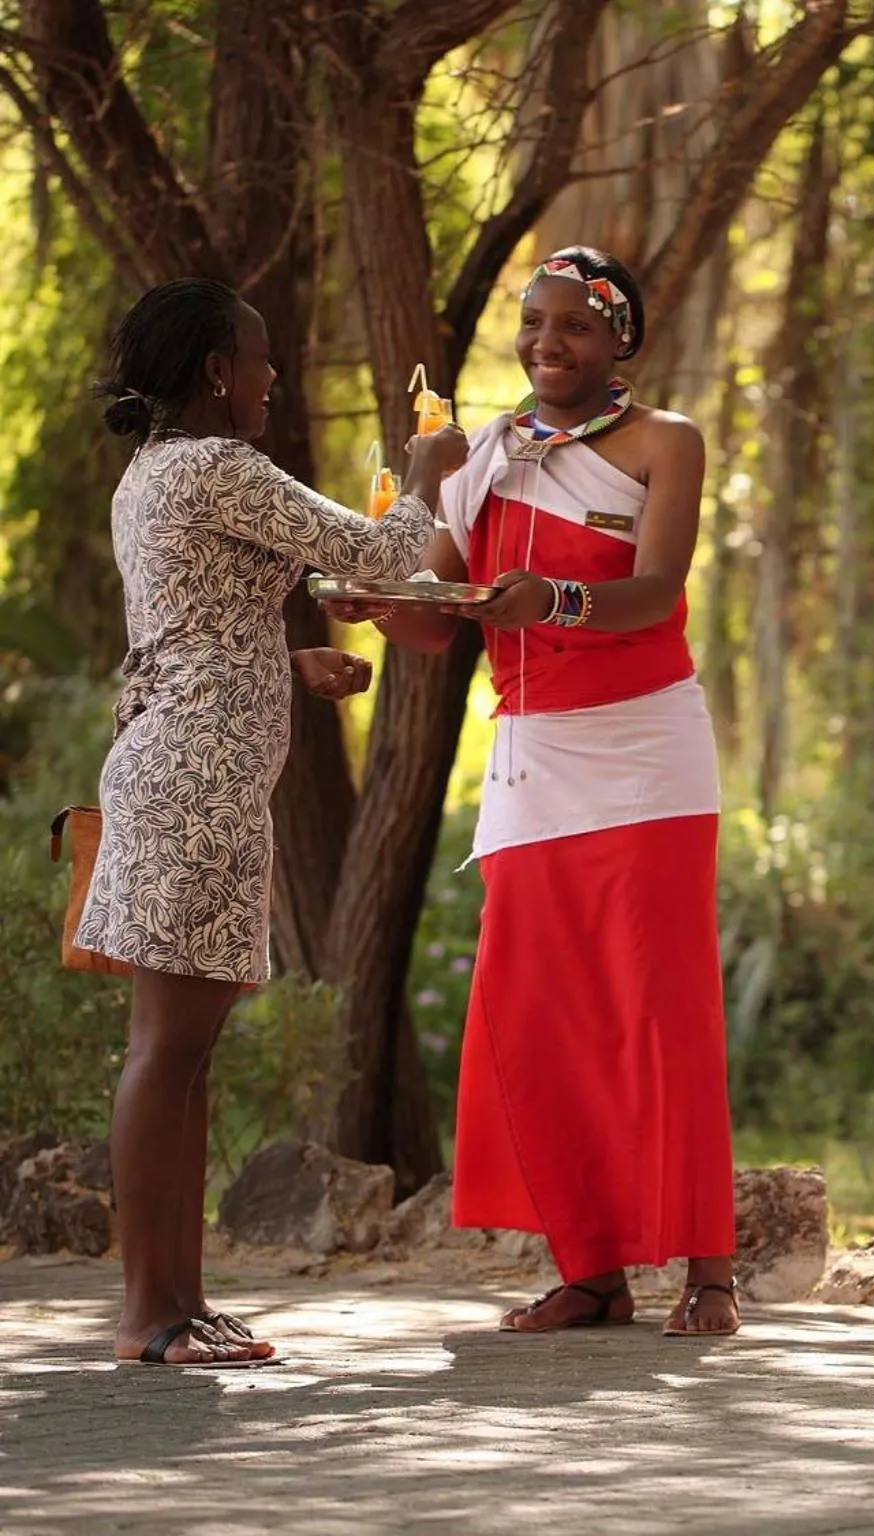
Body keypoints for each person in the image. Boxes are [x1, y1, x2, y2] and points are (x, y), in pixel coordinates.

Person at [332, 247, 739, 1338]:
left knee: (659, 1010)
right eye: (532, 323)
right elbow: (435, 624)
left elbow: (654, 594)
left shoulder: (666, 440)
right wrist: (381, 597)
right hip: (530, 762)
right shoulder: (484, 456)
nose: (546, 344)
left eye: (574, 326)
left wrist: (551, 599)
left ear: (621, 340)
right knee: (538, 1014)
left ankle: (709, 1271)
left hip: (646, 754)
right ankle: (591, 1269)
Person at [80, 278, 460, 1366]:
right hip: (192, 789)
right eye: (257, 357)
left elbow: (189, 633)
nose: (272, 375)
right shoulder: (215, 465)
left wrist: (285, 663)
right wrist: (425, 476)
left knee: (187, 1056)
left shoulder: (158, 473)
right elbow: (381, 555)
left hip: (192, 777)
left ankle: (183, 1303)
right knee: (166, 1051)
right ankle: (149, 1315)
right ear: (216, 372)